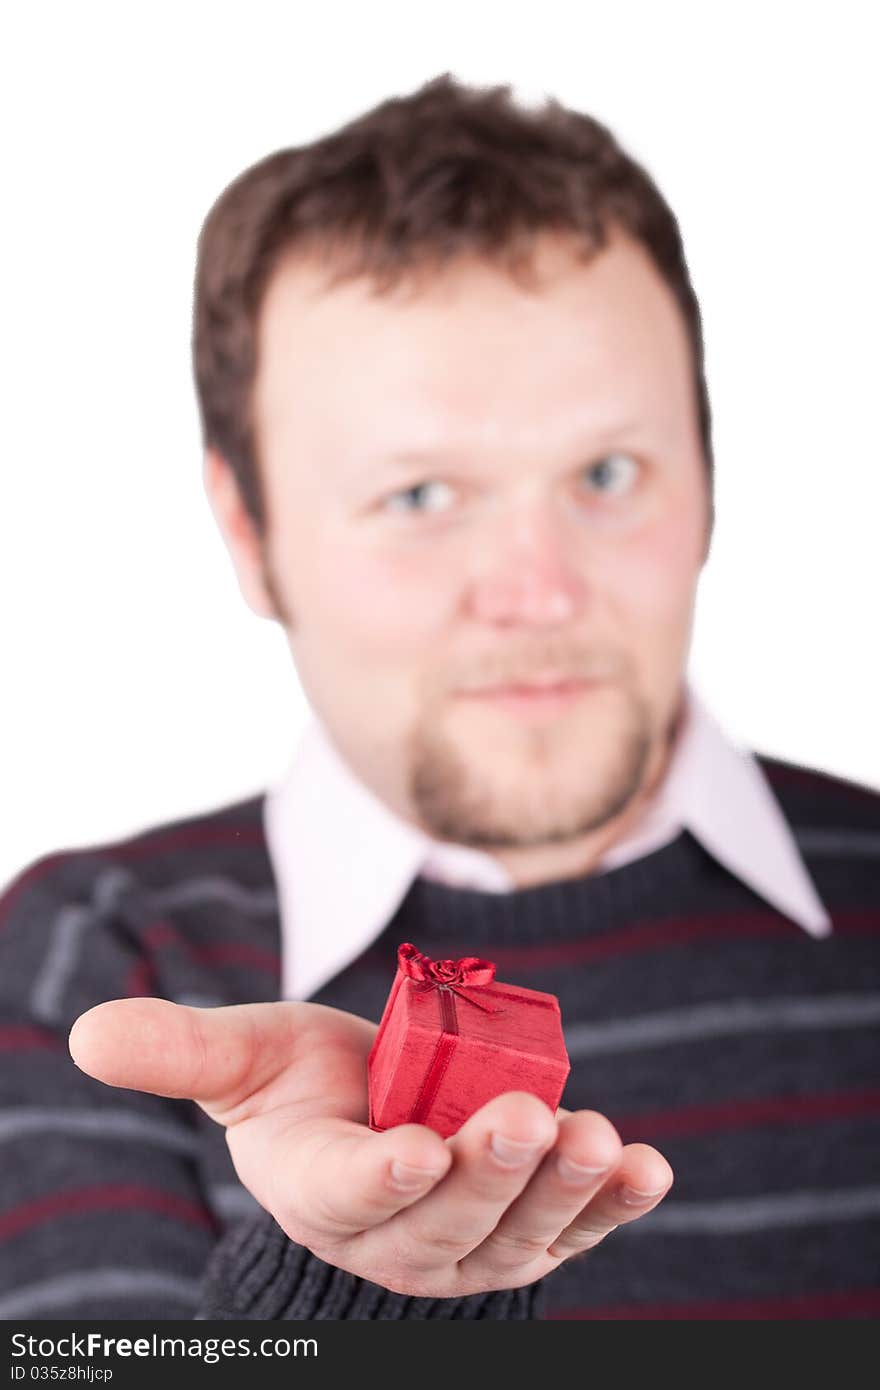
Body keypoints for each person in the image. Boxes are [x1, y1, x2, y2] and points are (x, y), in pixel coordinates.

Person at [1, 72, 878, 1322]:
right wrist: (348, 1285)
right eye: (419, 496)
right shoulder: (91, 967)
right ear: (248, 531)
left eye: (608, 470)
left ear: (709, 477)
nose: (536, 592)